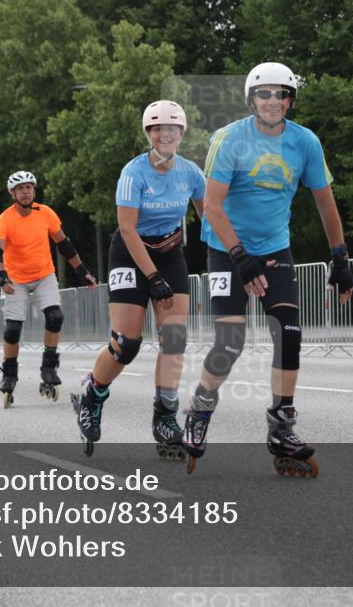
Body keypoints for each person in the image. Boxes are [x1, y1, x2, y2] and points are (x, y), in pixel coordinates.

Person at [182, 62, 353, 476]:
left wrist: (340, 256)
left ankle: (282, 425)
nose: (273, 101)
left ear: (290, 100)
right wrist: (240, 257)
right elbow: (213, 206)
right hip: (227, 249)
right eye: (265, 94)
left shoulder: (305, 142)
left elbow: (324, 201)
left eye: (281, 94)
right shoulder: (229, 139)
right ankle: (200, 409)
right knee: (230, 342)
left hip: (276, 250)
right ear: (251, 99)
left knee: (290, 334)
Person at [71, 100, 205, 458]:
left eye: (173, 129)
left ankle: (165, 415)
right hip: (130, 254)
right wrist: (152, 275)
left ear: (181, 134)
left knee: (174, 338)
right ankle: (92, 393)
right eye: (158, 129)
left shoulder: (191, 173)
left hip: (170, 252)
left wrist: (235, 258)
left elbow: (212, 221)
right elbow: (128, 230)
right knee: (126, 343)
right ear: (148, 134)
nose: (166, 135)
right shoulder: (134, 172)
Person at [0, 170, 96, 408]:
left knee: (55, 316)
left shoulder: (45, 213)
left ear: (34, 190)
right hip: (15, 279)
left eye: (29, 187)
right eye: (21, 189)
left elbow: (64, 245)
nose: (26, 191)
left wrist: (82, 271)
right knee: (13, 329)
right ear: (12, 193)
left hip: (44, 274)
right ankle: (9, 373)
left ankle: (48, 368)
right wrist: (2, 277)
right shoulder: (4, 219)